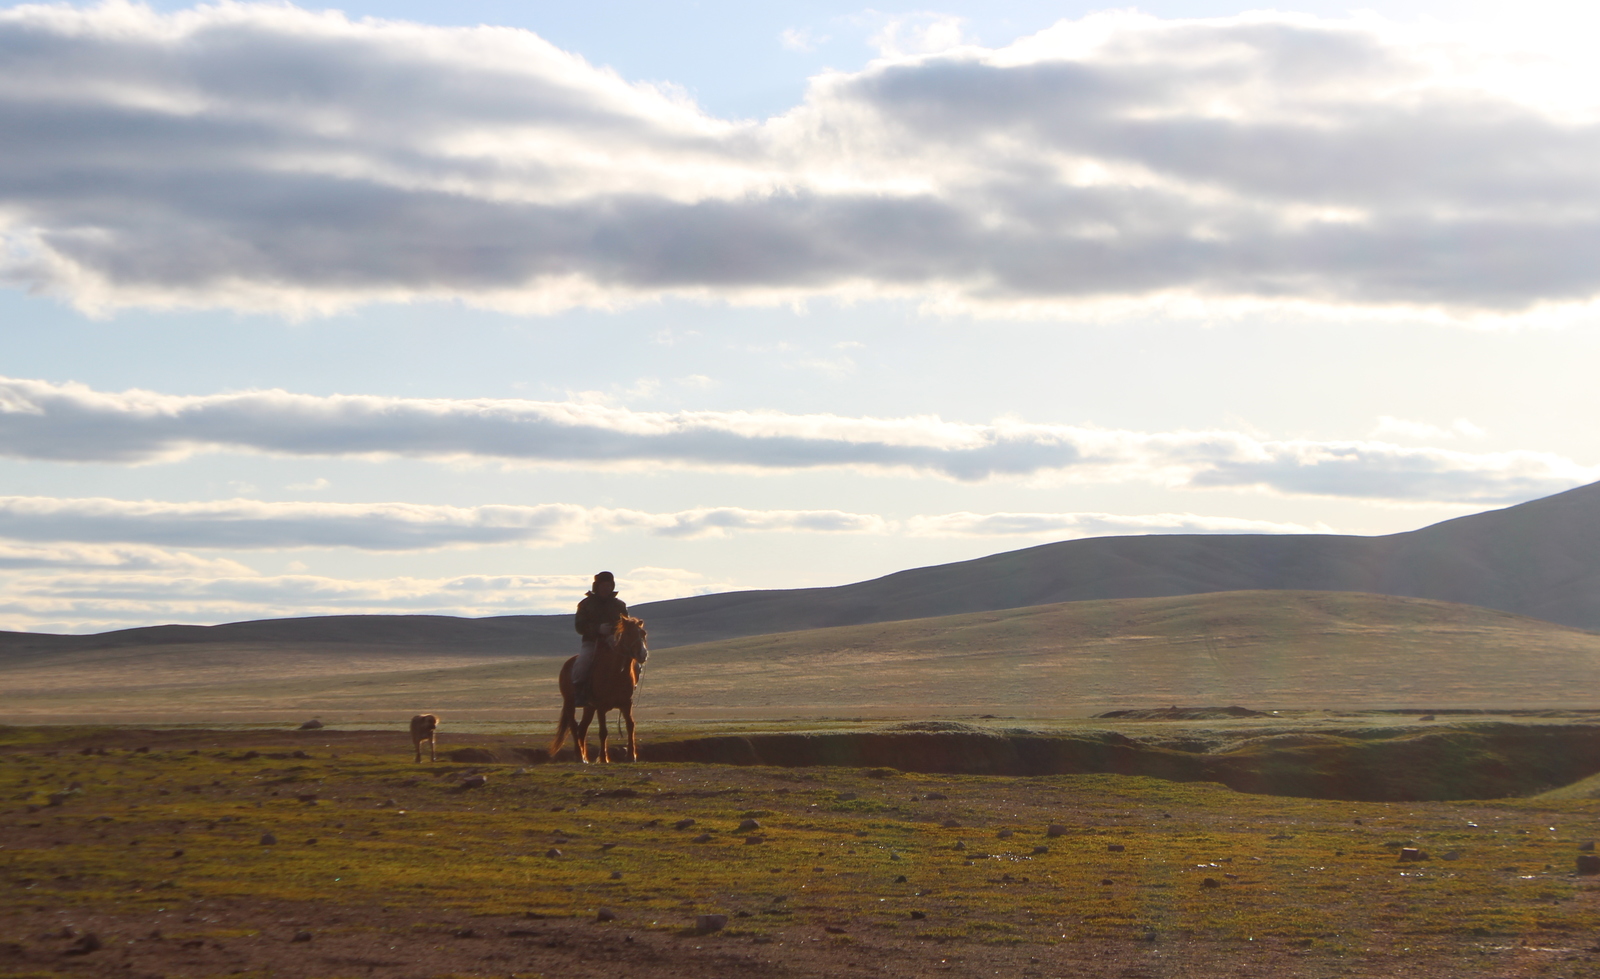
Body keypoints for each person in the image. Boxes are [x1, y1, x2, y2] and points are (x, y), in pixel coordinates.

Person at [572, 571, 626, 705]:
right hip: (591, 642)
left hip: (613, 642)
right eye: (603, 585)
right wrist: (597, 629)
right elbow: (579, 626)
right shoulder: (585, 604)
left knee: (630, 660)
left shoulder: (619, 605)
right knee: (583, 662)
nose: (606, 588)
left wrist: (614, 634)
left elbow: (626, 625)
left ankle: (628, 689)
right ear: (597, 586)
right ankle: (579, 692)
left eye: (609, 585)